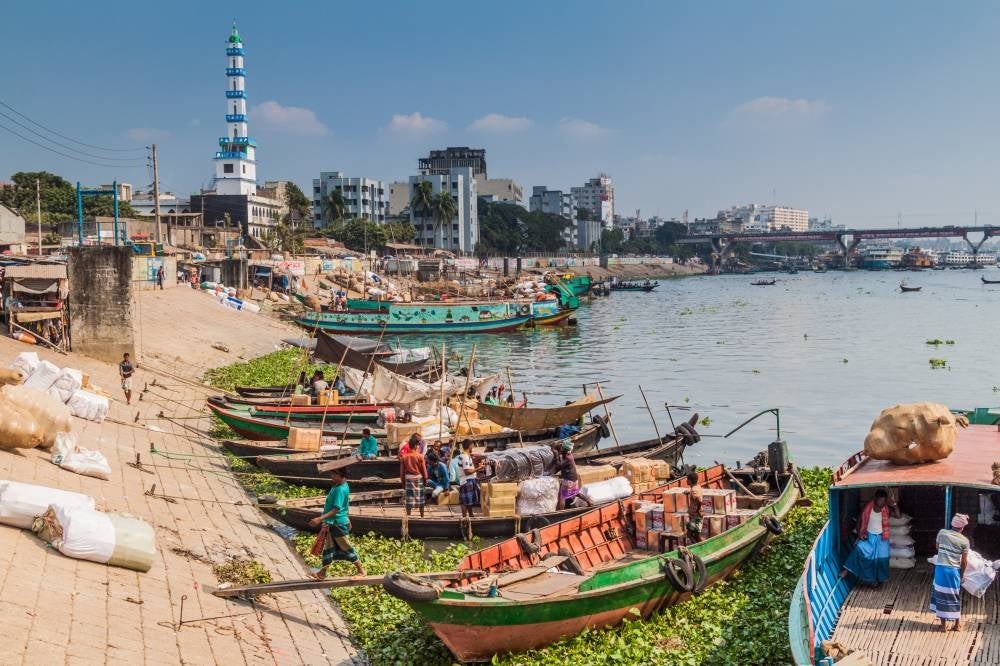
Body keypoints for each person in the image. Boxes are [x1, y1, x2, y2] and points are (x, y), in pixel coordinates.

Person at [308, 468, 366, 579]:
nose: (332, 477)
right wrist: (348, 518)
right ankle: (322, 573)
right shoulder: (341, 485)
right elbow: (345, 504)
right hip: (334, 523)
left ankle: (361, 571)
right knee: (329, 549)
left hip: (337, 524)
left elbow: (336, 509)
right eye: (332, 474)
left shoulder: (340, 489)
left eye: (334, 475)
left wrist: (319, 519)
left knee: (346, 547)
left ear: (341, 475)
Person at [841, 489, 900, 587]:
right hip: (869, 536)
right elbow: (859, 521)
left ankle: (879, 581)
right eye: (880, 500)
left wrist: (894, 504)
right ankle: (846, 570)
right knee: (859, 549)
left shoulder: (886, 509)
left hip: (882, 538)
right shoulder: (867, 507)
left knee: (881, 560)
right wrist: (859, 534)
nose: (882, 503)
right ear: (875, 499)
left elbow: (898, 516)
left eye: (884, 501)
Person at [930, 513, 971, 632]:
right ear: (962, 527)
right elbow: (964, 561)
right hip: (953, 571)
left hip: (940, 570)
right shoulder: (964, 541)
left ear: (952, 524)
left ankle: (943, 626)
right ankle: (957, 625)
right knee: (954, 596)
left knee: (940, 595)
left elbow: (938, 547)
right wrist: (961, 575)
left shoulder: (942, 533)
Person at [400, 443, 428, 517]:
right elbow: (424, 472)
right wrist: (425, 481)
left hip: (408, 479)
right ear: (415, 446)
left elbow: (402, 473)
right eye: (418, 445)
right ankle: (422, 516)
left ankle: (408, 516)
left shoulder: (404, 457)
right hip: (418, 478)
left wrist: (403, 483)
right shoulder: (420, 456)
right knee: (421, 498)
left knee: (409, 499)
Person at [455, 439, 481, 518]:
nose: (472, 447)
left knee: (468, 501)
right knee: (465, 501)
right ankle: (464, 517)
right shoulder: (465, 457)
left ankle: (471, 514)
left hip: (467, 480)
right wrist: (478, 468)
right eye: (472, 446)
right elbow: (467, 471)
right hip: (467, 481)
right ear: (470, 446)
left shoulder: (463, 455)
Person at [555, 439, 580, 510]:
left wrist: (556, 456)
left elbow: (559, 466)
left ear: (564, 449)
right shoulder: (569, 455)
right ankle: (588, 500)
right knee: (575, 493)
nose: (561, 449)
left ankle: (561, 512)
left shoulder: (568, 458)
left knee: (562, 497)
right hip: (574, 479)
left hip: (569, 480)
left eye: (562, 448)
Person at [686, 471, 704, 543]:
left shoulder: (694, 490)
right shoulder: (697, 487)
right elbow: (695, 493)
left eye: (687, 479)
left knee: (691, 534)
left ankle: (700, 546)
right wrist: (688, 492)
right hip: (695, 515)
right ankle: (700, 546)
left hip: (696, 516)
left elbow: (699, 500)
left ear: (690, 481)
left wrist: (698, 510)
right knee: (695, 534)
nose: (686, 481)